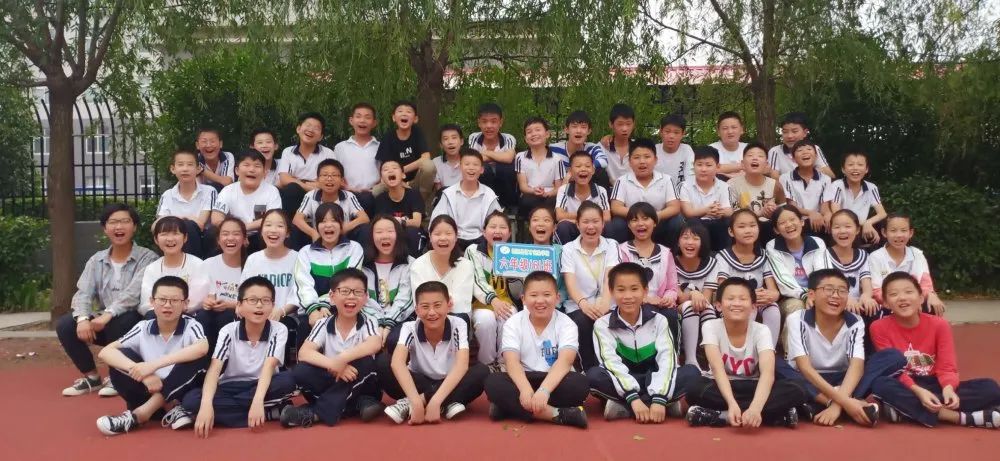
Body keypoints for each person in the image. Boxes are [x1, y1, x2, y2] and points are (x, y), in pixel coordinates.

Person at [776, 269, 905, 427]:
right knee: (776, 365)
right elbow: (805, 368)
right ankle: (847, 403)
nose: (836, 295)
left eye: (842, 291)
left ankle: (816, 405)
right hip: (808, 379)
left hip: (843, 379)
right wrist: (844, 402)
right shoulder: (797, 319)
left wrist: (836, 406)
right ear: (812, 294)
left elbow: (856, 367)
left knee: (893, 357)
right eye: (829, 289)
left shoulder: (855, 321)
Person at [870, 272, 1000, 429]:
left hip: (936, 383)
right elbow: (893, 370)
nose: (902, 298)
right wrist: (918, 392)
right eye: (894, 294)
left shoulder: (939, 325)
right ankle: (959, 417)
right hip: (906, 384)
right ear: (885, 303)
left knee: (990, 387)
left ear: (921, 298)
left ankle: (905, 409)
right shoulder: (878, 328)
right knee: (880, 384)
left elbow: (947, 366)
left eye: (909, 292)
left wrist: (948, 388)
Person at [58, 203, 157, 397]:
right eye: (113, 222)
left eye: (125, 221)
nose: (119, 227)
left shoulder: (148, 258)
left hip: (134, 324)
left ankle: (117, 377)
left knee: (122, 319)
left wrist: (108, 315)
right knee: (66, 325)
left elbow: (132, 295)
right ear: (105, 228)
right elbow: (83, 292)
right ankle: (92, 378)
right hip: (104, 322)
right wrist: (83, 319)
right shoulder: (97, 260)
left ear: (134, 227)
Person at [685, 277, 808, 428]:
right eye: (730, 299)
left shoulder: (762, 330)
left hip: (754, 385)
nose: (736, 303)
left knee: (799, 388)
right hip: (722, 385)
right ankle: (773, 416)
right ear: (718, 305)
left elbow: (768, 373)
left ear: (753, 307)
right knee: (693, 389)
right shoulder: (711, 326)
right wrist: (731, 403)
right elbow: (717, 370)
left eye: (743, 299)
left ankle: (721, 416)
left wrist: (756, 407)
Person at [94, 276, 210, 435]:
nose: (167, 305)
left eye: (174, 300)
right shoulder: (143, 327)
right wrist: (145, 375)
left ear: (185, 304)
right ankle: (169, 409)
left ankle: (139, 415)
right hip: (147, 391)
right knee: (121, 356)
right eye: (162, 299)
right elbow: (105, 352)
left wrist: (153, 366)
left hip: (180, 394)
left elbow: (202, 348)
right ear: (152, 302)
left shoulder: (191, 325)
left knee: (197, 358)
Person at [182, 277, 296, 436]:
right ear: (239, 305)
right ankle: (269, 413)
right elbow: (215, 369)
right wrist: (206, 405)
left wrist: (257, 401)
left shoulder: (279, 329)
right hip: (230, 386)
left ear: (272, 305)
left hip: (263, 385)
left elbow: (269, 366)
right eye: (252, 300)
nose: (259, 305)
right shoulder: (228, 330)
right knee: (192, 401)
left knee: (288, 381)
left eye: (265, 300)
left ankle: (229, 414)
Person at [588, 262, 699, 423]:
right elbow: (611, 364)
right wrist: (633, 398)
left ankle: (623, 407)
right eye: (621, 290)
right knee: (593, 376)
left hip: (654, 378)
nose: (628, 296)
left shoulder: (659, 320)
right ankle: (660, 403)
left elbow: (667, 360)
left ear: (645, 291)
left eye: (634, 289)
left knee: (692, 372)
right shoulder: (602, 325)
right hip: (625, 381)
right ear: (611, 292)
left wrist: (659, 397)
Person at [279, 269, 385, 427]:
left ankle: (315, 413)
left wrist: (342, 359)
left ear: (365, 297)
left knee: (366, 362)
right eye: (344, 291)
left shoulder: (369, 321)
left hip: (361, 383)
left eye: (358, 292)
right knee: (301, 370)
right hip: (332, 379)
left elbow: (374, 344)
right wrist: (334, 364)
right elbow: (304, 353)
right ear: (332, 296)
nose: (351, 296)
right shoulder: (323, 323)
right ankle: (353, 406)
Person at [484, 271, 590, 428]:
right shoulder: (513, 323)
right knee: (493, 382)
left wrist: (544, 391)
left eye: (547, 295)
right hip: (523, 378)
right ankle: (556, 414)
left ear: (557, 298)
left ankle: (509, 407)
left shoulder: (567, 324)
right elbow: (512, 362)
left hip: (553, 380)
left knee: (580, 384)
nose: (540, 301)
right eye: (533, 295)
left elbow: (565, 362)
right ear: (523, 299)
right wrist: (525, 389)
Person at [379, 281, 490, 424]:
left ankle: (414, 402)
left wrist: (434, 401)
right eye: (425, 307)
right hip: (419, 381)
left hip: (448, 381)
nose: (432, 312)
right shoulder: (409, 327)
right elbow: (397, 363)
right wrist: (416, 402)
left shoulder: (458, 324)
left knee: (481, 372)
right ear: (417, 310)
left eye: (437, 305)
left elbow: (462, 365)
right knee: (383, 363)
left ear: (449, 305)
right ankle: (448, 402)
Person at [704, 209, 782, 347]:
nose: (748, 230)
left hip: (757, 301)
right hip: (733, 303)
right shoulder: (723, 257)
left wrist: (770, 296)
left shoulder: (763, 256)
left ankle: (769, 351)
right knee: (748, 308)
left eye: (752, 225)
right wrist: (749, 297)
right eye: (741, 226)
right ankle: (744, 351)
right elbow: (723, 290)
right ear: (731, 231)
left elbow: (774, 292)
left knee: (773, 308)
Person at [293, 203, 365, 339]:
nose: (328, 225)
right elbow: (303, 284)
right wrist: (313, 310)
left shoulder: (354, 248)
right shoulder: (305, 252)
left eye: (334, 221)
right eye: (323, 221)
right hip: (312, 309)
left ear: (341, 224)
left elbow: (349, 281)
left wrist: (326, 304)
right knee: (304, 327)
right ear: (316, 226)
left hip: (345, 306)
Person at [561, 202, 619, 369]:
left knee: (610, 320)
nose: (591, 226)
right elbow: (570, 281)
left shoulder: (612, 245)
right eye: (585, 222)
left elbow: (610, 276)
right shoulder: (568, 249)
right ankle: (588, 369)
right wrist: (583, 304)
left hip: (607, 302)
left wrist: (605, 303)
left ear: (603, 223)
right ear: (577, 224)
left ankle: (610, 369)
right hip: (578, 305)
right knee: (582, 321)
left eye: (595, 221)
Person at [241, 210, 301, 356]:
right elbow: (244, 291)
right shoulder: (253, 259)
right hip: (256, 314)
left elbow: (299, 293)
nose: (273, 230)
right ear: (261, 231)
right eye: (268, 225)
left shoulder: (298, 258)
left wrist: (281, 311)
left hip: (286, 316)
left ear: (288, 233)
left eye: (279, 226)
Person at [466, 211, 518, 366]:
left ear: (509, 233)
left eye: (503, 227)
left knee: (509, 316)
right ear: (484, 232)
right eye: (493, 227)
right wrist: (493, 301)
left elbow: (521, 290)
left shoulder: (516, 253)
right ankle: (487, 364)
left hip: (507, 303)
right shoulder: (473, 250)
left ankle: (504, 363)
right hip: (481, 304)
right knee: (486, 320)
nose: (497, 231)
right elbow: (477, 280)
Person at [608, 138, 683, 246]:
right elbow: (616, 207)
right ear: (630, 161)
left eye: (647, 157)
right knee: (616, 224)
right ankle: (621, 254)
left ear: (655, 160)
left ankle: (670, 253)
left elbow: (674, 207)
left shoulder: (666, 179)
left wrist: (655, 216)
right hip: (632, 225)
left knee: (677, 221)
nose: (642, 161)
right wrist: (640, 216)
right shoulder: (622, 181)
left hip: (658, 223)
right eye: (636, 157)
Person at [868, 214, 945, 314]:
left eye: (903, 230)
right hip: (887, 305)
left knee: (933, 304)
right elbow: (876, 291)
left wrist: (931, 295)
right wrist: (906, 303)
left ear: (910, 233)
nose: (899, 235)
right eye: (893, 230)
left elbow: (925, 284)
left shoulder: (917, 254)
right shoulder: (875, 257)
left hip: (914, 301)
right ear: (884, 232)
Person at [766, 204, 830, 321]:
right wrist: (805, 296)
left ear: (802, 222)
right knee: (796, 308)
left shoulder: (817, 242)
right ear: (776, 230)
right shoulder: (772, 246)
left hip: (818, 293)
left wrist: (815, 294)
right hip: (790, 297)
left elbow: (823, 273)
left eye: (792, 219)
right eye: (782, 223)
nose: (789, 225)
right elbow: (783, 279)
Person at [430, 149, 503, 250]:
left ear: (482, 169)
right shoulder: (449, 193)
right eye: (467, 164)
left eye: (475, 165)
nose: (471, 168)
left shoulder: (489, 194)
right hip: (454, 238)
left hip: (481, 238)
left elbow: (499, 221)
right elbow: (436, 221)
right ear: (460, 167)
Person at [410, 216, 476, 326]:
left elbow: (461, 303)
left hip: (457, 318)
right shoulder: (418, 265)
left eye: (448, 233)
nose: (443, 238)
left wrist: (434, 303)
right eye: (437, 234)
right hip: (427, 319)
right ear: (430, 237)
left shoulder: (466, 265)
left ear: (456, 236)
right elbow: (420, 300)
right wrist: (443, 303)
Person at [211, 150, 282, 251]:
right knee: (211, 233)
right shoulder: (228, 190)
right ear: (237, 171)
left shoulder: (272, 191)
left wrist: (243, 229)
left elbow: (273, 219)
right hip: (233, 235)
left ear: (264, 172)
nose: (252, 169)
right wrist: (235, 232)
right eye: (246, 165)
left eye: (257, 166)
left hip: (259, 236)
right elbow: (216, 218)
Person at [138, 216, 208, 319]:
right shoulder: (151, 268)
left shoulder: (198, 265)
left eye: (175, 233)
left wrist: (172, 310)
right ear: (156, 239)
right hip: (157, 317)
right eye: (164, 234)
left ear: (185, 238)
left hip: (188, 317)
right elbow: (146, 302)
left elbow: (197, 301)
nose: (170, 239)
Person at [291, 158, 370, 248]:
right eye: (325, 175)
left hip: (344, 237)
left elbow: (364, 218)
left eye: (334, 175)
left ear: (342, 180)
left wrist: (344, 228)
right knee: (295, 229)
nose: (329, 179)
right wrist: (313, 233)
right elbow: (297, 219)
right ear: (317, 179)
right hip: (318, 238)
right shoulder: (311, 196)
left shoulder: (348, 196)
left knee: (364, 229)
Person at [617, 203, 679, 311]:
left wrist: (667, 299)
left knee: (670, 315)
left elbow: (672, 287)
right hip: (631, 307)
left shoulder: (665, 253)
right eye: (635, 220)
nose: (640, 223)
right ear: (629, 225)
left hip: (660, 305)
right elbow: (619, 285)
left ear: (655, 222)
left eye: (645, 219)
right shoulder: (621, 251)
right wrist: (645, 299)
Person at [155, 149, 216, 257]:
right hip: (174, 240)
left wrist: (175, 219)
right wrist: (186, 218)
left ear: (198, 169)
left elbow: (200, 224)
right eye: (180, 164)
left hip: (202, 241)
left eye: (190, 165)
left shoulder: (209, 191)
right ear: (173, 169)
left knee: (189, 226)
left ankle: (193, 264)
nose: (185, 169)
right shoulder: (167, 195)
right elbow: (157, 226)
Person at [375, 100, 437, 206]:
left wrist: (401, 170)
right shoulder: (388, 138)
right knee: (376, 191)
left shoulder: (417, 133)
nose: (404, 114)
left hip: (415, 182)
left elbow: (426, 158)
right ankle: (392, 210)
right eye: (400, 111)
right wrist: (399, 180)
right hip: (394, 181)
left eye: (408, 111)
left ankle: (420, 206)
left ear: (415, 119)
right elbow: (385, 167)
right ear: (394, 117)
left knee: (429, 166)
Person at [361, 215, 413, 339]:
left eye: (390, 231)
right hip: (368, 319)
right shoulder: (362, 265)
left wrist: (389, 323)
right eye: (379, 232)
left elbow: (405, 299)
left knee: (393, 339)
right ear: (371, 237)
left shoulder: (410, 264)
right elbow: (361, 298)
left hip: (400, 320)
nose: (385, 236)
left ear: (398, 235)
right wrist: (378, 322)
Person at [197, 218, 247, 346]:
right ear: (218, 240)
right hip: (211, 313)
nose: (230, 238)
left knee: (226, 316)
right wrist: (207, 302)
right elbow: (201, 295)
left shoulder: (251, 265)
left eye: (236, 234)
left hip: (238, 314)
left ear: (244, 239)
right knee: (203, 316)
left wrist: (229, 305)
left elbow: (254, 300)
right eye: (225, 234)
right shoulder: (208, 264)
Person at [675, 221, 718, 368]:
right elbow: (679, 297)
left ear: (703, 242)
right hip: (675, 308)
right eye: (685, 237)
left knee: (708, 308)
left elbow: (706, 298)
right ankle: (691, 360)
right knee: (689, 305)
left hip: (700, 306)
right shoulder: (670, 261)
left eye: (695, 238)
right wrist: (693, 293)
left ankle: (712, 362)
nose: (690, 242)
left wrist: (696, 296)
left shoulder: (712, 263)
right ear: (678, 241)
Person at [822, 150, 886, 244]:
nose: (855, 168)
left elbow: (882, 213)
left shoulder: (871, 187)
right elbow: (837, 212)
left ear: (866, 169)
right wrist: (862, 225)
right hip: (843, 227)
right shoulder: (837, 185)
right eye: (851, 165)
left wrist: (868, 223)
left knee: (885, 230)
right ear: (843, 169)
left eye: (860, 165)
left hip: (862, 228)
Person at [827, 209, 880, 322]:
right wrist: (845, 299)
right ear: (831, 230)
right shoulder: (824, 255)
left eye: (848, 226)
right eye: (837, 227)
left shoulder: (863, 255)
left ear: (857, 230)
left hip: (857, 303)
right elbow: (827, 284)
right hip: (833, 300)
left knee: (873, 309)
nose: (842, 231)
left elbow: (866, 283)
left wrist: (866, 297)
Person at [728, 142, 786, 244]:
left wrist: (774, 211)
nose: (755, 158)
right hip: (743, 229)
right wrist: (760, 213)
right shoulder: (731, 184)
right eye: (750, 155)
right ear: (742, 164)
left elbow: (784, 212)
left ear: (767, 164)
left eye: (760, 156)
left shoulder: (776, 185)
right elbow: (732, 215)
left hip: (768, 230)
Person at [277, 112, 335, 214]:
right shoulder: (288, 151)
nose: (311, 130)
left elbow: (331, 180)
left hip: (319, 195)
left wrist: (294, 179)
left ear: (321, 137)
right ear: (298, 129)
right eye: (308, 125)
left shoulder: (328, 153)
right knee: (291, 189)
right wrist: (308, 186)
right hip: (294, 195)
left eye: (316, 128)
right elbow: (284, 179)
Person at [679, 145, 734, 251]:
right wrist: (707, 211)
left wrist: (719, 211)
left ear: (717, 167)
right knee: (694, 223)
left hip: (717, 223)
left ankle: (723, 255)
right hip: (694, 224)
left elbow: (729, 210)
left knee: (727, 222)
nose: (703, 169)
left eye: (708, 165)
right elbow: (688, 213)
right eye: (699, 165)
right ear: (693, 166)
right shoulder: (684, 186)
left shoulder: (724, 186)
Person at [515, 116, 566, 223]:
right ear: (525, 138)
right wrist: (534, 190)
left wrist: (547, 193)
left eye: (538, 130)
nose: (534, 134)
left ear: (547, 134)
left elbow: (559, 188)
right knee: (526, 201)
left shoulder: (557, 159)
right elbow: (523, 186)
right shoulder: (520, 157)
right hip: (530, 194)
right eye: (529, 132)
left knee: (553, 202)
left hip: (550, 195)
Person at [332, 103, 380, 215]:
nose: (362, 120)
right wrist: (346, 187)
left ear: (374, 123)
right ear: (351, 120)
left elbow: (386, 170)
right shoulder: (340, 147)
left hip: (375, 195)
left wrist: (376, 188)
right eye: (358, 116)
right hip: (347, 195)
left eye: (367, 117)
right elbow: (334, 172)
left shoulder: (381, 147)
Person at [468, 103, 519, 207]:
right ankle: (486, 205)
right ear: (479, 123)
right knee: (483, 169)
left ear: (501, 123)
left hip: (505, 186)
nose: (489, 126)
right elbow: (473, 160)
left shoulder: (508, 138)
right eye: (484, 121)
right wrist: (499, 157)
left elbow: (509, 158)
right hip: (484, 183)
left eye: (493, 121)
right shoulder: (474, 137)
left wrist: (486, 153)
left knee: (506, 168)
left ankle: (509, 206)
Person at [554, 151, 611, 244]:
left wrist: (582, 220)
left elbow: (607, 217)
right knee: (563, 226)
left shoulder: (601, 190)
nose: (583, 169)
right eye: (578, 166)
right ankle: (564, 252)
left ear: (593, 170)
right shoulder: (564, 189)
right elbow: (560, 215)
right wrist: (585, 220)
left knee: (609, 226)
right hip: (573, 226)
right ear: (570, 171)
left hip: (593, 227)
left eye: (587, 166)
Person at [374, 160, 426, 256]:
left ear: (403, 175)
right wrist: (402, 221)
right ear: (382, 179)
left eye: (394, 168)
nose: (390, 171)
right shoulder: (380, 199)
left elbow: (416, 222)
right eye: (385, 170)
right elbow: (380, 224)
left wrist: (399, 222)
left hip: (412, 234)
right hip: (390, 235)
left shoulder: (414, 195)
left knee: (411, 231)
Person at [778, 140, 831, 235]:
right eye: (800, 150)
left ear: (816, 156)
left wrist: (828, 215)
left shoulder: (825, 179)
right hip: (795, 220)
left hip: (818, 221)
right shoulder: (785, 178)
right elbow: (792, 206)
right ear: (793, 159)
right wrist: (811, 213)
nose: (805, 152)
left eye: (809, 149)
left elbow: (825, 208)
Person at [549, 110, 610, 189]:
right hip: (559, 188)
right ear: (566, 129)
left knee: (601, 173)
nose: (578, 131)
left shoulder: (592, 148)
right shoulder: (554, 149)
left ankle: (599, 196)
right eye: (574, 126)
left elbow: (604, 161)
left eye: (583, 127)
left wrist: (577, 171)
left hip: (586, 186)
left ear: (589, 131)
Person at [766, 112, 835, 179]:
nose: (790, 136)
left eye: (794, 131)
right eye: (785, 132)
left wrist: (812, 172)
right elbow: (774, 178)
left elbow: (830, 175)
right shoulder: (775, 151)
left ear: (805, 133)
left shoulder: (814, 149)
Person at [655, 114, 695, 188]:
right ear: (661, 131)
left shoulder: (686, 150)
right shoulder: (654, 150)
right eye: (667, 131)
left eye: (676, 132)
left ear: (683, 134)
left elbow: (690, 177)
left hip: (681, 192)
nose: (671, 136)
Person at [602, 103, 637, 183]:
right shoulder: (601, 148)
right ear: (611, 124)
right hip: (608, 189)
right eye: (620, 124)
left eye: (628, 124)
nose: (625, 129)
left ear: (633, 124)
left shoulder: (639, 148)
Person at [709, 112, 747, 179]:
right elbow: (708, 169)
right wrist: (742, 166)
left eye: (734, 127)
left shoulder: (749, 149)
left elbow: (762, 168)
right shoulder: (710, 149)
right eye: (725, 128)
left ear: (741, 130)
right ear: (718, 132)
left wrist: (723, 170)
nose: (730, 131)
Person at [434, 123, 465, 192]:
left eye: (454, 138)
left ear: (461, 141)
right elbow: (439, 191)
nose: (450, 142)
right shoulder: (435, 163)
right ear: (441, 145)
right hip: (444, 195)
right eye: (446, 139)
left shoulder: (469, 160)